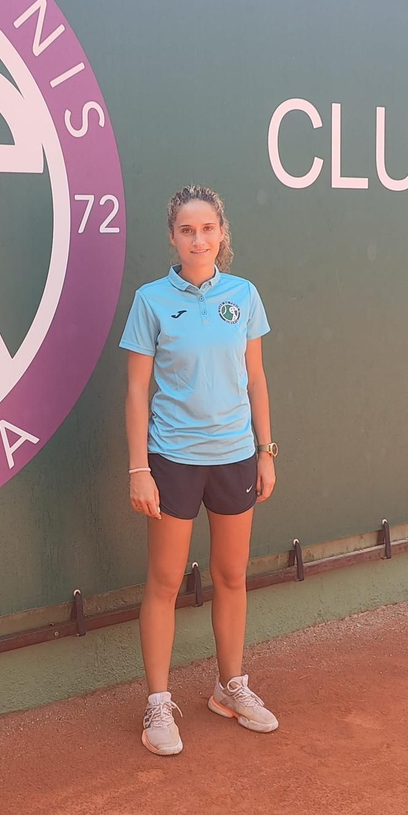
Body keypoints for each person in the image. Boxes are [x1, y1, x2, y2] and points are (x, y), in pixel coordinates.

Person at [118, 185, 279, 756]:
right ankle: (158, 703)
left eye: (207, 228)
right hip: (172, 461)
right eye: (187, 230)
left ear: (221, 234)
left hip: (236, 456)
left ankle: (229, 687)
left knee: (231, 576)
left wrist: (265, 449)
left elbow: (255, 379)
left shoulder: (244, 295)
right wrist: (140, 468)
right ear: (172, 237)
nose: (198, 239)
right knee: (164, 583)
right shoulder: (151, 300)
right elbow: (137, 389)